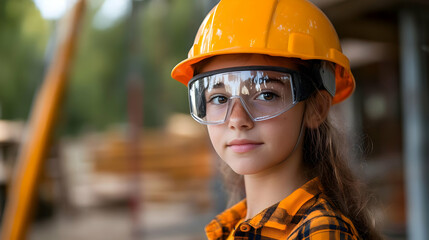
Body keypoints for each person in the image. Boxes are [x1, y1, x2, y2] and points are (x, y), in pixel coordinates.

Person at [171, 0, 382, 239]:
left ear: (316, 108)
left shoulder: (321, 232)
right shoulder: (233, 228)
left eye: (266, 94)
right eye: (219, 99)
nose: (237, 119)